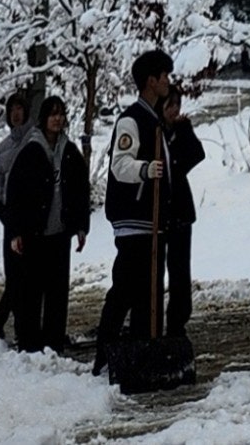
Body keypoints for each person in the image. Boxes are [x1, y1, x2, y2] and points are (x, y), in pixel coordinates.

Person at [93, 49, 173, 377]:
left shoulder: (155, 120)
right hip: (134, 220)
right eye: (164, 75)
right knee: (126, 287)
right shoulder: (132, 119)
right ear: (150, 81)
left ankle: (142, 350)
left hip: (154, 223)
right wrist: (145, 171)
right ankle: (105, 352)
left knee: (150, 291)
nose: (169, 81)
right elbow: (119, 164)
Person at [5, 95, 90, 353]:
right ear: (43, 118)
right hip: (34, 233)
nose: (57, 119)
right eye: (53, 114)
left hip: (59, 233)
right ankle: (30, 343)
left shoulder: (70, 152)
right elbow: (15, 194)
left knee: (57, 292)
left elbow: (80, 191)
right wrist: (16, 231)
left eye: (61, 114)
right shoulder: (30, 151)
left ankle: (53, 342)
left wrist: (80, 226)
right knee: (32, 291)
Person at [161, 86, 205, 337]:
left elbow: (197, 154)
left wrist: (185, 130)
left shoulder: (180, 131)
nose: (174, 110)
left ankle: (177, 319)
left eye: (177, 105)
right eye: (170, 105)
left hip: (180, 210)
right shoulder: (154, 132)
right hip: (159, 211)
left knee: (180, 269)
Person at [0, 92, 29, 340]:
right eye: (11, 109)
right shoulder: (3, 147)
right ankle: (1, 320)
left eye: (19, 109)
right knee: (14, 274)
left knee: (24, 276)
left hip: (30, 216)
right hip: (10, 218)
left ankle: (3, 319)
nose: (15, 114)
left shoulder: (34, 140)